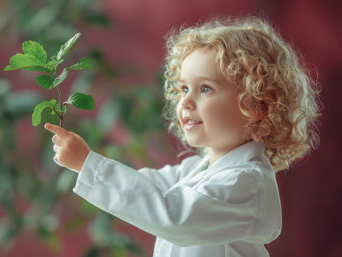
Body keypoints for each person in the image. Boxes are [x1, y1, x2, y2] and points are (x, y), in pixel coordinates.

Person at [44, 16, 320, 257]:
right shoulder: (196, 169)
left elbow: (174, 216)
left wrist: (88, 165)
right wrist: (88, 164)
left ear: (257, 105)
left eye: (206, 89)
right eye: (184, 88)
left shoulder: (247, 183)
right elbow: (145, 187)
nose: (186, 102)